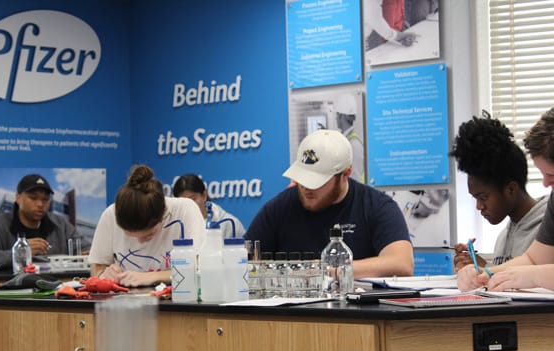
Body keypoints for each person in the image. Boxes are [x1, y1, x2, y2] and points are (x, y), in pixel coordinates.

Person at [245, 129, 414, 278]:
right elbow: (242, 260)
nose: (306, 187)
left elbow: (402, 264)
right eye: (302, 177)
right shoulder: (279, 207)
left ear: (345, 174)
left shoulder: (376, 206)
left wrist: (330, 270)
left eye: (317, 181)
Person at [449, 111, 547, 272]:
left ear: (510, 189)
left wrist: (487, 272)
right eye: (475, 198)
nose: (479, 206)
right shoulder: (504, 236)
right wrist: (482, 268)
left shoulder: (545, 229)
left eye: (483, 197)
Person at [89, 165, 205, 287]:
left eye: (149, 235)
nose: (140, 242)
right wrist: (104, 274)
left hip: (176, 299)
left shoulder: (185, 210)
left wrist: (151, 277)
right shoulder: (110, 215)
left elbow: (198, 266)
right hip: (125, 300)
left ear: (164, 211)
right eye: (130, 235)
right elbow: (97, 266)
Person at [0, 174, 79, 270]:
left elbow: (85, 249)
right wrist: (19, 253)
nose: (40, 204)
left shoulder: (61, 224)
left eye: (45, 199)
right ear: (18, 198)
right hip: (12, 287)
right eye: (33, 198)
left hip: (57, 286)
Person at [172, 173, 246, 238]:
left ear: (204, 195)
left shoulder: (228, 223)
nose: (189, 205)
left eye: (193, 199)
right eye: (183, 201)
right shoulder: (175, 227)